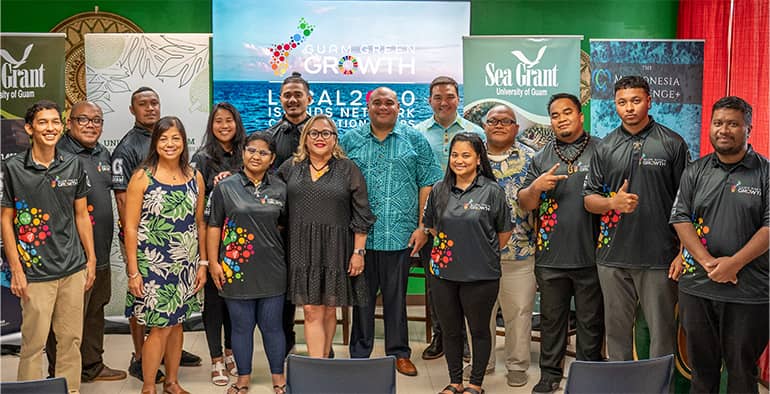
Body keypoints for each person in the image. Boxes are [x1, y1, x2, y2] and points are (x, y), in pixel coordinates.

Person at [583, 76, 689, 361]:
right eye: (622, 102)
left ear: (649, 102)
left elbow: (687, 204)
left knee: (661, 335)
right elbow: (589, 200)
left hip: (660, 258)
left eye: (635, 100)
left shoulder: (673, 143)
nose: (629, 108)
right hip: (612, 258)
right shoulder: (605, 147)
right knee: (616, 334)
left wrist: (683, 253)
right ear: (615, 105)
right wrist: (611, 202)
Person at [341, 86, 443, 376]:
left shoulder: (414, 140)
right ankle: (360, 355)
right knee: (362, 299)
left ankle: (399, 352)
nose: (383, 107)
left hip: (401, 236)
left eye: (389, 102)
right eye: (377, 102)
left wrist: (423, 226)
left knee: (396, 299)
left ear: (399, 107)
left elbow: (428, 183)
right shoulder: (351, 140)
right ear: (368, 107)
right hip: (360, 237)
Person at [670, 96, 768, 393]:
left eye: (733, 124)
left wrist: (733, 264)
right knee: (701, 369)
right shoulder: (695, 170)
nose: (724, 129)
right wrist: (707, 262)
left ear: (748, 128)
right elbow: (680, 217)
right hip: (698, 286)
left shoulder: (765, 173)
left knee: (741, 371)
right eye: (718, 123)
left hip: (748, 290)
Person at [1, 100, 96, 393]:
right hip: (35, 274)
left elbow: (81, 215)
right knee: (33, 345)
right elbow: (6, 221)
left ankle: (71, 390)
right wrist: (16, 269)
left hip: (72, 268)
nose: (50, 128)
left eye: (55, 122)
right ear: (30, 128)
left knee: (71, 343)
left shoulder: (73, 164)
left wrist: (90, 260)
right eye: (43, 122)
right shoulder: (13, 168)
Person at [112, 87, 202, 382]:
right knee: (160, 327)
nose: (170, 143)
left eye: (176, 138)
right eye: (164, 138)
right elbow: (131, 225)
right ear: (156, 143)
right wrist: (134, 271)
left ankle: (172, 383)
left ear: (183, 141)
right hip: (154, 264)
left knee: (177, 326)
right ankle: (150, 386)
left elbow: (199, 222)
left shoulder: (194, 176)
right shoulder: (142, 176)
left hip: (185, 264)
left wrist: (201, 265)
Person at [518, 94, 604, 394]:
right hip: (551, 255)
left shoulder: (602, 150)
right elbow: (525, 203)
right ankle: (550, 374)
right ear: (550, 120)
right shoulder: (540, 156)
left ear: (581, 115)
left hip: (592, 253)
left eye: (568, 112)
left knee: (591, 322)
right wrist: (535, 187)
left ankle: (588, 373)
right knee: (552, 320)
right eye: (555, 115)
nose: (562, 118)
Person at [277, 114, 375, 358]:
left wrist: (358, 252)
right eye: (314, 133)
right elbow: (268, 196)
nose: (320, 138)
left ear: (335, 139)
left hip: (337, 247)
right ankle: (316, 367)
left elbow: (362, 213)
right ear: (305, 138)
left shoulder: (348, 168)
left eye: (326, 133)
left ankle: (325, 359)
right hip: (300, 247)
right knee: (310, 309)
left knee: (330, 308)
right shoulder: (290, 167)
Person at [423, 132, 513, 394]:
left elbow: (503, 234)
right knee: (451, 331)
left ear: (477, 159)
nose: (459, 160)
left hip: (481, 275)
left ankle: (475, 384)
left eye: (465, 155)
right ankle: (454, 382)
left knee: (479, 331)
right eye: (454, 155)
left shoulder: (492, 191)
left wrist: (474, 248)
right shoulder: (439, 190)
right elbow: (430, 227)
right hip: (443, 274)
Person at [45, 101, 127, 382]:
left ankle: (92, 366)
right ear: (69, 123)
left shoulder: (103, 153)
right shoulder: (58, 154)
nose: (91, 125)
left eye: (97, 120)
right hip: (71, 256)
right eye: (84, 120)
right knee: (66, 320)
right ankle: (60, 376)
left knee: (95, 311)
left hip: (100, 251)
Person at [206, 132, 288, 394]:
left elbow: (285, 227)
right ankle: (243, 379)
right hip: (234, 269)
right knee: (241, 328)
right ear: (243, 153)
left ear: (272, 158)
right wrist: (213, 264)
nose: (256, 156)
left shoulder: (280, 188)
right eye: (252, 150)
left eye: (263, 152)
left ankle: (279, 379)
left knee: (272, 327)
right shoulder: (225, 187)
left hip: (272, 269)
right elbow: (214, 226)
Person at [414, 76, 483, 361]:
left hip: (469, 220)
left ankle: (464, 340)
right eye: (438, 97)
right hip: (433, 221)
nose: (444, 102)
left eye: (450, 96)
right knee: (437, 283)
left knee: (467, 282)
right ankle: (441, 336)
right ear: (429, 100)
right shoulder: (416, 133)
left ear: (458, 99)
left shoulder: (474, 131)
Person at [480, 104, 537, 387]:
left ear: (516, 127)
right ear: (484, 126)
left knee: (519, 313)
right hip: (477, 255)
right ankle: (483, 363)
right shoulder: (470, 157)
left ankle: (516, 365)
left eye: (506, 121)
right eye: (493, 121)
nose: (499, 125)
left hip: (520, 251)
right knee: (479, 314)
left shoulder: (532, 159)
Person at [191, 102, 247, 385]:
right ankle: (215, 359)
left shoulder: (246, 154)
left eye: (229, 121)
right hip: (213, 240)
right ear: (211, 126)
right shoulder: (202, 159)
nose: (224, 126)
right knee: (214, 303)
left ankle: (230, 353)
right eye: (218, 121)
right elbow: (197, 207)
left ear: (237, 123)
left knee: (235, 303)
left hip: (242, 243)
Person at [265, 72, 313, 356]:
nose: (293, 100)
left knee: (314, 284)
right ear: (280, 99)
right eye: (287, 95)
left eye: (298, 94)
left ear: (309, 98)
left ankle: (320, 344)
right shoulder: (271, 136)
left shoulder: (322, 135)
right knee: (283, 288)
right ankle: (285, 339)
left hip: (315, 222)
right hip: (281, 226)